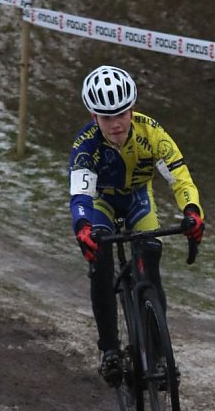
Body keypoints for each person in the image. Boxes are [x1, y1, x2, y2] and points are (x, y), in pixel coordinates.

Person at [68, 65, 205, 385]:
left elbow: (179, 176)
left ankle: (157, 353)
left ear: (132, 109)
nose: (115, 124)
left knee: (149, 259)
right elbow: (81, 195)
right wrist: (83, 226)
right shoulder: (85, 145)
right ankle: (110, 350)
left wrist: (192, 210)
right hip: (101, 203)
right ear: (93, 117)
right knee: (100, 262)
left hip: (137, 201)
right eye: (106, 117)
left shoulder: (151, 133)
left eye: (121, 114)